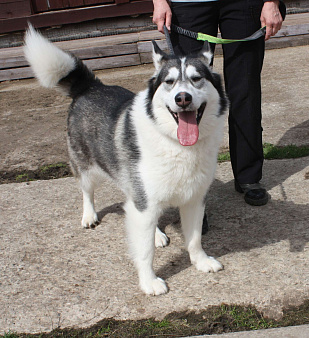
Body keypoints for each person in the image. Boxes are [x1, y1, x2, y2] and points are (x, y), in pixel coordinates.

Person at [152, 0, 286, 211]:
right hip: (187, 4)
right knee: (189, 101)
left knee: (245, 92)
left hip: (243, 5)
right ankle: (191, 198)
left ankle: (249, 176)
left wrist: (271, 2)